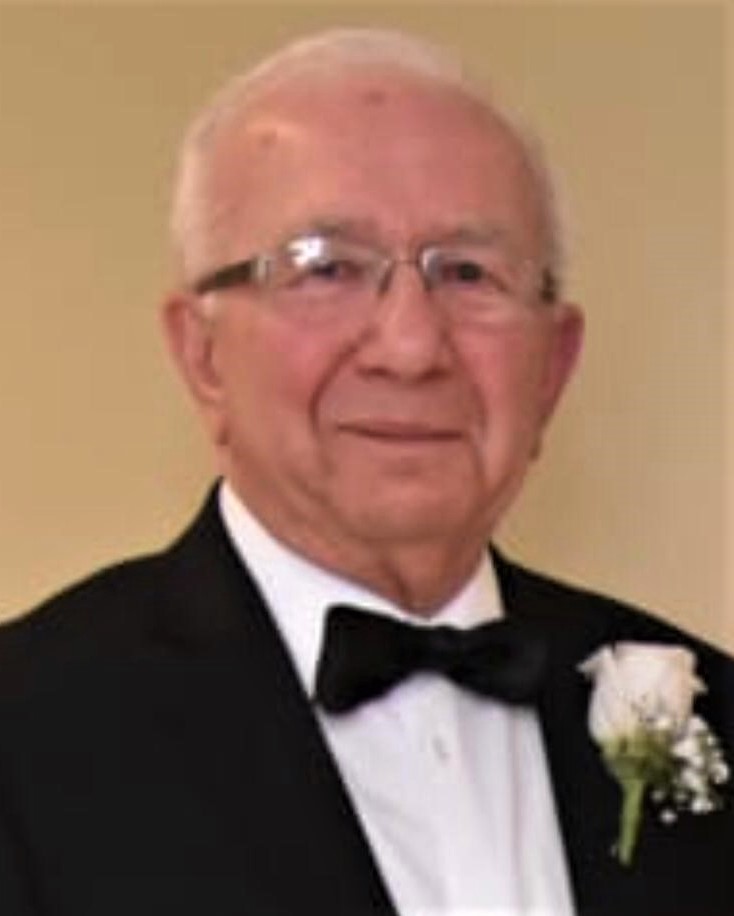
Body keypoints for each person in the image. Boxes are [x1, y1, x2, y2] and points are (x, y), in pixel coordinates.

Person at [0, 27, 732, 916]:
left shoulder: (712, 711)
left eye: (469, 273)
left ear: (553, 365)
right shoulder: (28, 733)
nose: (411, 347)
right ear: (202, 355)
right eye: (328, 269)